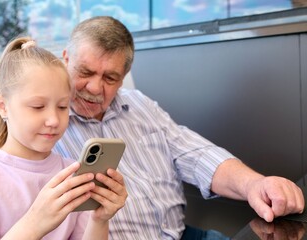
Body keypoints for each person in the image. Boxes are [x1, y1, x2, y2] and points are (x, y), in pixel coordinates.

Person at [53, 16, 305, 239]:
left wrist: (255, 185)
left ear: (124, 75)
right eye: (85, 72)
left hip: (183, 233)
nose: (96, 88)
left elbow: (196, 155)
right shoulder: (48, 123)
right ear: (66, 59)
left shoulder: (139, 104)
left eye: (110, 78)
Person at [0, 36, 128, 240]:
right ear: (3, 106)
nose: (53, 120)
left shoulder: (72, 176)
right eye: (38, 107)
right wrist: (35, 222)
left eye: (62, 107)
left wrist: (99, 220)